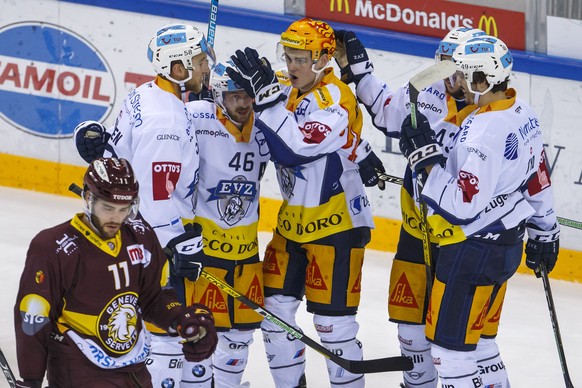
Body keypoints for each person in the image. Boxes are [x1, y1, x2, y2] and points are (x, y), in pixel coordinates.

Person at [334, 27, 495, 387]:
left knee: (471, 341)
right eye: (445, 68)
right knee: (410, 331)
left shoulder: (492, 114)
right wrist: (358, 72)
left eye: (458, 70)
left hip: (465, 242)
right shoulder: (427, 92)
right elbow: (384, 107)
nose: (451, 78)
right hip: (416, 230)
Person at [397, 36, 560, 387]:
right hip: (506, 242)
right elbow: (537, 177)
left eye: (462, 75)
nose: (454, 81)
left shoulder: (484, 130)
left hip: (473, 249)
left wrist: (425, 161)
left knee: (449, 353)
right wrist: (546, 230)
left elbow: (462, 204)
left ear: (482, 80)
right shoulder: (522, 112)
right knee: (481, 344)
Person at [226, 17, 376, 388]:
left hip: (337, 227)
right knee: (273, 314)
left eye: (300, 58)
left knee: (333, 325)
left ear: (323, 60)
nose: (291, 65)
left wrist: (266, 101)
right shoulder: (285, 86)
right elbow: (234, 96)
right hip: (291, 226)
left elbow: (294, 149)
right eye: (288, 56)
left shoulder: (336, 98)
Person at [74, 23, 212, 386]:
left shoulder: (149, 93)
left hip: (135, 235)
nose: (206, 68)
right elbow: (153, 198)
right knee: (163, 331)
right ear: (178, 69)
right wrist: (178, 245)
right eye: (200, 61)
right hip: (150, 242)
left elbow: (126, 159)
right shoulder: (164, 121)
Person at [13, 158, 218, 388]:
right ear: (88, 198)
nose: (116, 218)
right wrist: (31, 380)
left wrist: (181, 319)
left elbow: (154, 297)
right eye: (107, 208)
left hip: (134, 371)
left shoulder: (140, 236)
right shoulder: (53, 246)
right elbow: (34, 316)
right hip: (80, 372)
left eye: (124, 209)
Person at [176, 61, 271, 387]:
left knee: (240, 336)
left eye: (247, 96)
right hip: (204, 251)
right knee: (197, 332)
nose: (243, 104)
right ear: (218, 95)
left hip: (245, 251)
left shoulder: (265, 124)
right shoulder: (194, 115)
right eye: (234, 96)